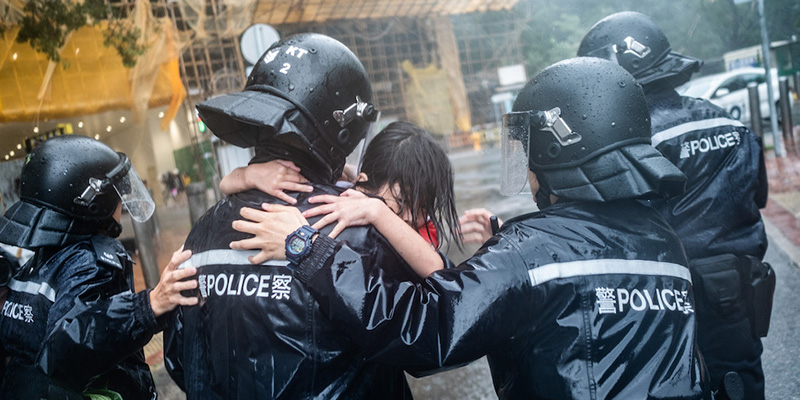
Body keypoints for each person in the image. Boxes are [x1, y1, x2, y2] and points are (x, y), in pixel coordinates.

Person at [231, 57, 711, 399]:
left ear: (557, 153)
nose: (525, 173)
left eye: (528, 157)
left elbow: (431, 329)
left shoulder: (529, 253)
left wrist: (306, 246)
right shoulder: (663, 239)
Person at [162, 33, 423, 399]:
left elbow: (181, 360)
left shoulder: (201, 232)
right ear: (343, 132)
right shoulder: (354, 225)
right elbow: (422, 337)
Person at [577, 12, 773, 400]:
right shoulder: (731, 125)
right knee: (742, 383)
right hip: (738, 291)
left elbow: (609, 231)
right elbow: (759, 197)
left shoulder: (631, 146)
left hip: (665, 299)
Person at [0, 135, 197, 399]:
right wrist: (149, 304)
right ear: (94, 202)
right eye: (116, 193)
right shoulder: (91, 259)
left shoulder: (30, 260)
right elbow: (67, 347)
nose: (120, 202)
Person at [221, 120, 461, 277]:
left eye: (423, 205)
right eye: (403, 201)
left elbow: (436, 269)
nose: (411, 216)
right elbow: (225, 184)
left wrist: (377, 211)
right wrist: (250, 174)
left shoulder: (411, 229)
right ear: (362, 181)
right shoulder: (344, 191)